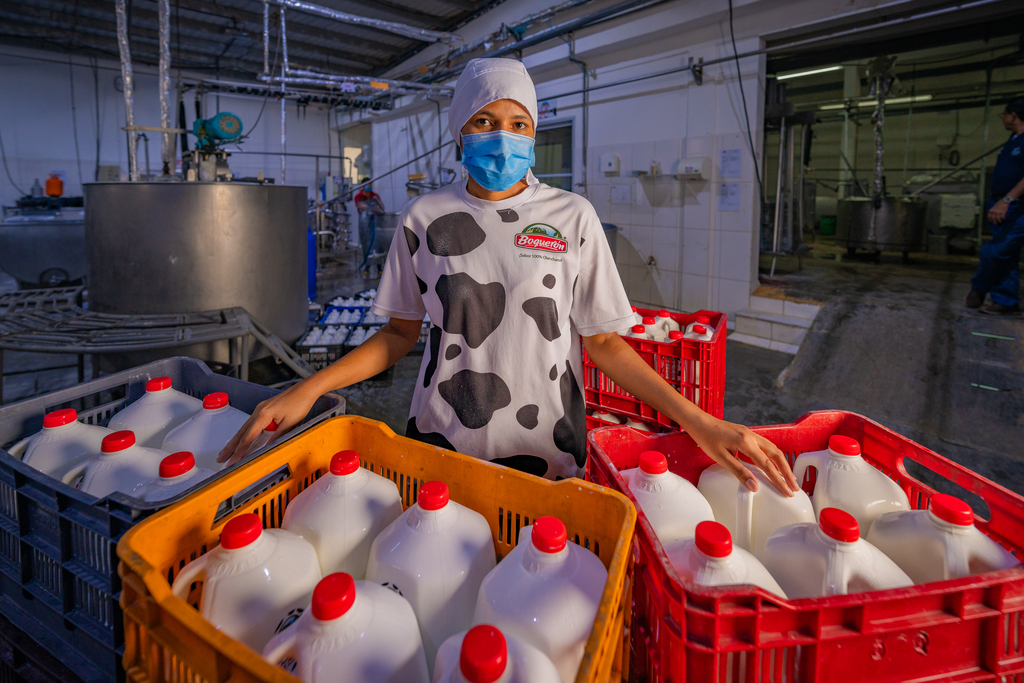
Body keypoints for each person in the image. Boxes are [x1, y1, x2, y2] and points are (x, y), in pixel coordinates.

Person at [219, 58, 800, 497]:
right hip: (441, 437)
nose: (505, 133)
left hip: (549, 446)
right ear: (460, 131)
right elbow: (399, 336)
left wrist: (699, 423)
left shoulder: (571, 216)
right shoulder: (424, 219)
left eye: (519, 122)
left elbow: (603, 344)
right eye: (486, 120)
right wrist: (308, 388)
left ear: (533, 131)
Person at [966, 97, 1024, 315]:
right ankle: (1005, 301)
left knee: (993, 251)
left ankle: (979, 287)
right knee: (1006, 256)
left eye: (1004, 115)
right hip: (1002, 205)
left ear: (1013, 116)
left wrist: (1007, 200)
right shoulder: (1013, 140)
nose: (1003, 118)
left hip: (1017, 207)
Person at [353, 179, 384, 267]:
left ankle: (379, 266)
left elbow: (381, 206)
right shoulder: (358, 196)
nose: (369, 187)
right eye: (367, 185)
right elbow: (360, 206)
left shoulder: (375, 195)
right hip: (364, 225)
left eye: (370, 185)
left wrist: (373, 207)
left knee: (378, 244)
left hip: (376, 223)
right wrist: (372, 207)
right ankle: (367, 265)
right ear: (363, 186)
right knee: (366, 244)